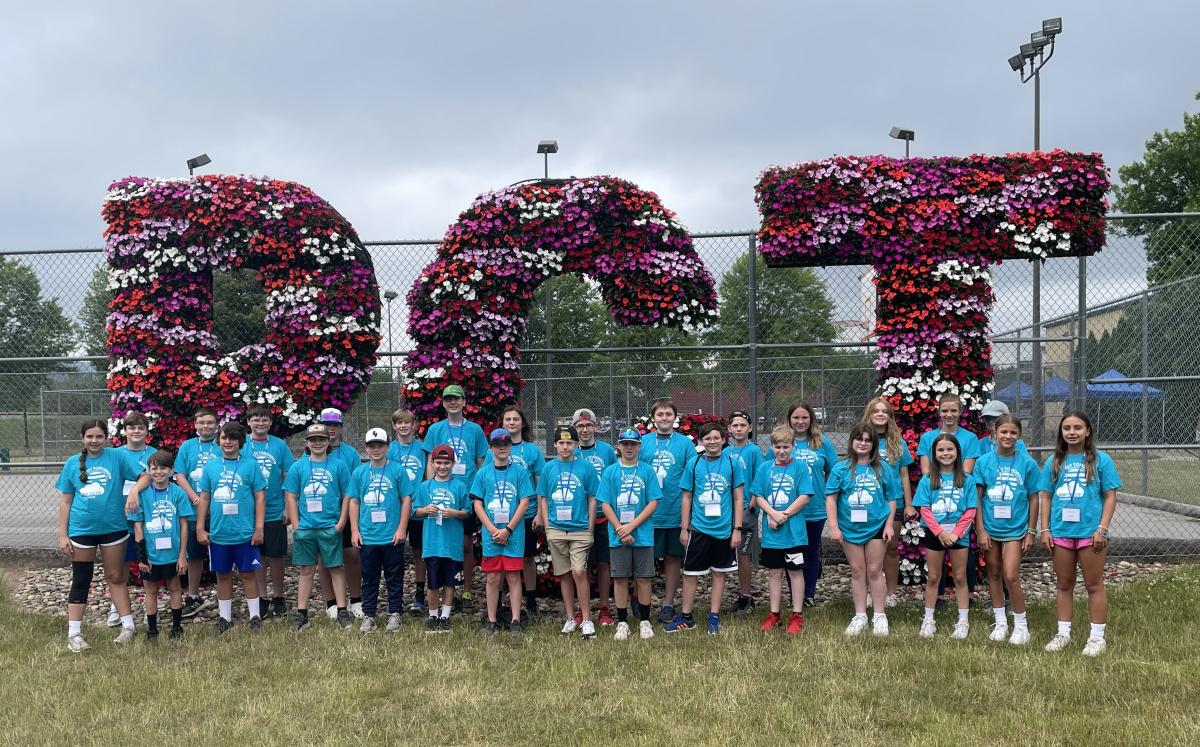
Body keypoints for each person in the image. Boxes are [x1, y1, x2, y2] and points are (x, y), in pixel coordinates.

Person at [56, 420, 145, 652]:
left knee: (115, 576)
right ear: (82, 438)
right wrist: (63, 534)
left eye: (99, 436)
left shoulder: (117, 457)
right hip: (81, 530)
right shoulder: (72, 463)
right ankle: (74, 633)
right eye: (89, 437)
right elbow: (66, 501)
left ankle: (127, 626)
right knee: (82, 578)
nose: (94, 441)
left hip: (114, 528)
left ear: (107, 437)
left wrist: (135, 488)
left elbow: (144, 476)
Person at [1039, 411, 1121, 657]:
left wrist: (1102, 529)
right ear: (1061, 433)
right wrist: (1045, 529)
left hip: (1090, 533)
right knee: (1064, 583)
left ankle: (1096, 638)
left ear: (1088, 431)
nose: (1072, 432)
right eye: (1067, 428)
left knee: (1093, 584)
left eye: (1077, 427)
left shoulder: (1101, 460)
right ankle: (1063, 633)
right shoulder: (1053, 462)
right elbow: (1046, 495)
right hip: (1061, 532)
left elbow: (1110, 496)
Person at [666, 421, 745, 635]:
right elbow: (686, 497)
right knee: (691, 574)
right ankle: (686, 617)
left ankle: (714, 617)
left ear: (723, 439)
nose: (712, 442)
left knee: (719, 574)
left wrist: (737, 528)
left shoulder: (732, 463)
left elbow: (739, 498)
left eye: (716, 438)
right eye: (707, 438)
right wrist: (684, 528)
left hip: (724, 530)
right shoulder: (694, 463)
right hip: (699, 528)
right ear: (701, 441)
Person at [825, 422, 900, 637]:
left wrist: (888, 524)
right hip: (849, 529)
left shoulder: (882, 468)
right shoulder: (841, 468)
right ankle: (860, 616)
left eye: (868, 440)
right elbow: (831, 499)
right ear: (852, 442)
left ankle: (879, 615)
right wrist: (834, 527)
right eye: (859, 439)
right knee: (858, 571)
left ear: (874, 444)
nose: (863, 443)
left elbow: (892, 498)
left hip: (877, 527)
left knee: (875, 571)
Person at [974, 414, 1041, 645]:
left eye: (1013, 433)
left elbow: (1034, 498)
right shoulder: (983, 462)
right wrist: (980, 530)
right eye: (1003, 432)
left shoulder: (1027, 463)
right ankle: (1000, 621)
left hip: (1016, 528)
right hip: (991, 527)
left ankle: (1021, 625)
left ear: (1019, 435)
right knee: (993, 574)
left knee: (1010, 575)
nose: (1008, 436)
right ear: (995, 434)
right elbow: (977, 498)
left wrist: (1032, 531)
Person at [196, 421, 268, 634]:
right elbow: (205, 497)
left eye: (233, 438)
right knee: (223, 575)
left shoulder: (250, 465)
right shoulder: (211, 467)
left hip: (245, 532)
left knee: (247, 574)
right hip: (219, 534)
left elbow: (260, 496)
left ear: (241, 442)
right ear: (218, 440)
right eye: (224, 438)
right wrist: (200, 526)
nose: (228, 442)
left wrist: (259, 527)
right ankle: (224, 618)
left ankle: (255, 616)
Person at [423, 384, 488, 612]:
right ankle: (438, 592)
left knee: (466, 546)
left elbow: (481, 465)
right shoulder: (435, 430)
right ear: (443, 403)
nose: (452, 402)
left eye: (456, 399)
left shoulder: (475, 430)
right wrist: (428, 491)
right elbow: (430, 464)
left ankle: (467, 590)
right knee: (440, 546)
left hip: (465, 496)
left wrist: (479, 494)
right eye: (448, 399)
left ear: (463, 402)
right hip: (440, 495)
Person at [283, 423, 352, 631]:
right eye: (313, 440)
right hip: (306, 527)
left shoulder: (338, 465)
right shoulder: (299, 466)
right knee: (306, 569)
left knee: (336, 568)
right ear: (307, 443)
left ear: (328, 441)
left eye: (321, 439)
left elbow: (348, 494)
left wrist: (341, 524)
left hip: (329, 526)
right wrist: (296, 525)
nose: (318, 443)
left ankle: (342, 610)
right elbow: (291, 495)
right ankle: (302, 614)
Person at [598, 429, 662, 641]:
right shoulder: (610, 472)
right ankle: (622, 621)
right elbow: (605, 503)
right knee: (620, 578)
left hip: (642, 534)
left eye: (633, 444)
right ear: (619, 446)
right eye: (625, 443)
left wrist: (631, 526)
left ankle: (644, 620)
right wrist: (620, 528)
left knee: (643, 577)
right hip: (618, 534)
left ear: (639, 446)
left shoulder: (647, 471)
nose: (629, 448)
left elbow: (653, 502)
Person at [915, 434, 978, 640]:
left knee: (960, 577)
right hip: (936, 534)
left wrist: (956, 533)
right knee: (933, 577)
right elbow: (924, 508)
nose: (946, 454)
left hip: (958, 534)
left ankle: (962, 621)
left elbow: (970, 510)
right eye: (941, 450)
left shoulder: (967, 479)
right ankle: (928, 619)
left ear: (957, 452)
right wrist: (940, 533)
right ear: (934, 454)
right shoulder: (928, 479)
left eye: (950, 449)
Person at [751, 425, 813, 635]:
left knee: (795, 572)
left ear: (793, 446)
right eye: (778, 447)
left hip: (794, 534)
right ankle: (774, 614)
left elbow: (804, 496)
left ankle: (797, 614)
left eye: (786, 446)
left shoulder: (800, 468)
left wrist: (783, 514)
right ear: (772, 447)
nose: (782, 451)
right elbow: (758, 495)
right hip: (772, 535)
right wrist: (772, 514)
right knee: (774, 573)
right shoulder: (765, 468)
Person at [349, 427, 412, 633]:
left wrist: (402, 528)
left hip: (392, 535)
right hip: (368, 536)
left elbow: (406, 499)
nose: (376, 449)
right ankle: (369, 615)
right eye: (372, 446)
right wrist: (355, 530)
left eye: (380, 445)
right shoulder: (360, 472)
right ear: (366, 448)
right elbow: (354, 502)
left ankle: (394, 612)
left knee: (394, 576)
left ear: (387, 447)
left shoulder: (397, 471)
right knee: (369, 577)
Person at [539, 424, 600, 639]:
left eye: (569, 443)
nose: (565, 447)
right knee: (563, 574)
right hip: (556, 528)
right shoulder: (548, 468)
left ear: (576, 445)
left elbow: (593, 498)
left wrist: (590, 526)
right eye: (561, 443)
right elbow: (544, 497)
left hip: (580, 528)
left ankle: (587, 619)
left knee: (579, 572)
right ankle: (570, 618)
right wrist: (547, 525)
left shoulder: (586, 468)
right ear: (555, 445)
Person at [471, 429, 534, 635]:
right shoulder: (483, 473)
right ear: (490, 448)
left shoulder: (519, 472)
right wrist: (491, 529)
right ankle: (491, 619)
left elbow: (524, 502)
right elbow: (478, 503)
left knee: (514, 576)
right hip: (491, 535)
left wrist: (508, 529)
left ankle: (515, 619)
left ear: (511, 446)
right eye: (497, 444)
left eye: (506, 444)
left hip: (513, 534)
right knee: (493, 577)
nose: (502, 448)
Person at [640, 397, 695, 623]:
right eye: (660, 415)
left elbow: (693, 475)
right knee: (643, 559)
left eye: (668, 415)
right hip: (646, 513)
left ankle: (668, 603)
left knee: (673, 559)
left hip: (673, 510)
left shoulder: (685, 444)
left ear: (675, 418)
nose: (664, 418)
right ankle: (641, 601)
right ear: (653, 418)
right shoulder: (642, 442)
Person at [129, 449, 193, 640]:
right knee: (151, 590)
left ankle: (176, 627)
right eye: (154, 468)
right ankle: (152, 630)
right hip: (150, 554)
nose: (158, 472)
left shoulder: (178, 493)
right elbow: (138, 528)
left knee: (175, 588)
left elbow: (183, 525)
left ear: (171, 470)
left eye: (163, 468)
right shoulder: (142, 494)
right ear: (148, 471)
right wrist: (142, 558)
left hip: (173, 553)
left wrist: (182, 555)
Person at [412, 444, 471, 633]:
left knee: (449, 581)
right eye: (438, 462)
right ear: (432, 462)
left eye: (446, 463)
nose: (442, 467)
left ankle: (445, 616)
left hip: (452, 544)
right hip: (432, 543)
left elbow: (467, 512)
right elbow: (416, 510)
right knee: (433, 581)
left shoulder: (459, 486)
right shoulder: (425, 487)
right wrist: (426, 510)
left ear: (452, 463)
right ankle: (432, 614)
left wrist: (455, 513)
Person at [243, 404, 294, 618]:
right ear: (249, 422)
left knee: (276, 556)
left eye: (264, 419)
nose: (260, 423)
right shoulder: (242, 444)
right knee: (258, 556)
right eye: (256, 419)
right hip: (249, 512)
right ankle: (262, 596)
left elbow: (288, 477)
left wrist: (289, 507)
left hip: (274, 510)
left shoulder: (279, 445)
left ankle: (279, 595)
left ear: (270, 422)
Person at [863, 397, 915, 607]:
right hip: (869, 502)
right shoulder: (863, 439)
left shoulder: (898, 442)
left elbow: (904, 475)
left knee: (891, 547)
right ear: (870, 414)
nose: (880, 414)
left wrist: (909, 504)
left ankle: (891, 593)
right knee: (867, 548)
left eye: (884, 411)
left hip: (895, 502)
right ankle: (868, 592)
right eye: (876, 410)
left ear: (890, 416)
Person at [787, 401, 839, 606]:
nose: (800, 422)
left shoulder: (822, 442)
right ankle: (794, 596)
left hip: (815, 508)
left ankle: (808, 594)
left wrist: (828, 493)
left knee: (811, 551)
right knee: (792, 551)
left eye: (804, 417)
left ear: (811, 419)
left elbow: (834, 471)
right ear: (789, 419)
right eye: (796, 417)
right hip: (789, 510)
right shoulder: (783, 441)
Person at [108, 411, 157, 627]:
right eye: (131, 427)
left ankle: (151, 609)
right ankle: (116, 608)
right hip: (121, 519)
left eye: (140, 427)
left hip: (149, 520)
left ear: (147, 431)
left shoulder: (154, 454)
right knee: (121, 566)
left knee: (150, 564)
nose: (136, 431)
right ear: (124, 430)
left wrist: (136, 490)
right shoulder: (114, 455)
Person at [316, 407, 363, 619]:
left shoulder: (351, 454)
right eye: (326, 425)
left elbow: (355, 487)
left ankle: (356, 600)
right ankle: (331, 603)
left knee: (352, 556)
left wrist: (352, 520)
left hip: (344, 514)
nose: (331, 429)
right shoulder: (314, 450)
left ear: (341, 426)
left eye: (335, 425)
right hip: (320, 516)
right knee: (324, 559)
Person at [174, 408, 221, 618]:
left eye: (210, 423)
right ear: (195, 425)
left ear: (217, 425)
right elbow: (180, 476)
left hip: (221, 511)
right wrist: (196, 498)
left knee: (222, 553)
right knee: (195, 555)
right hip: (193, 511)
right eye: (202, 422)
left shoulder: (223, 445)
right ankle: (193, 596)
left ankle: (224, 597)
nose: (206, 426)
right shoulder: (187, 446)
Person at [573, 408, 617, 627]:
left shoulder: (606, 451)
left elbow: (614, 479)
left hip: (603, 516)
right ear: (575, 428)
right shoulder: (571, 450)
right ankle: (583, 609)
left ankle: (604, 608)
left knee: (603, 564)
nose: (585, 429)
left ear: (595, 426)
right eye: (580, 426)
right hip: (579, 518)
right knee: (582, 567)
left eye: (588, 425)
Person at [502, 405, 544, 621]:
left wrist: (540, 514)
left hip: (527, 514)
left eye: (515, 419)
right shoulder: (496, 449)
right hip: (500, 516)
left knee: (527, 557)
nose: (511, 422)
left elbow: (540, 483)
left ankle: (531, 599)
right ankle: (502, 601)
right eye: (507, 419)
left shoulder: (532, 451)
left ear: (523, 423)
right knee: (503, 558)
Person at [724, 410, 763, 618]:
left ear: (749, 428)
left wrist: (752, 507)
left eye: (742, 425)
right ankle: (738, 594)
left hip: (746, 508)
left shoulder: (754, 451)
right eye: (735, 425)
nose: (738, 429)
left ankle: (746, 596)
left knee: (742, 554)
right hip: (726, 509)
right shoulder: (725, 452)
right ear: (729, 429)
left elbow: (759, 479)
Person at [388, 408, 428, 613]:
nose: (403, 426)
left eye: (407, 422)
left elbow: (428, 476)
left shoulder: (422, 449)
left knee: (419, 551)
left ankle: (420, 594)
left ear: (414, 425)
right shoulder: (390, 450)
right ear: (394, 426)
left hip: (418, 507)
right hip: (396, 508)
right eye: (399, 423)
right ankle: (395, 597)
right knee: (395, 551)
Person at [917, 393, 980, 475]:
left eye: (953, 410)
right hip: (934, 485)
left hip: (960, 486)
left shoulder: (971, 438)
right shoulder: (926, 438)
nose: (949, 415)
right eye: (944, 411)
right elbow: (926, 473)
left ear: (960, 411)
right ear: (939, 412)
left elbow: (966, 472)